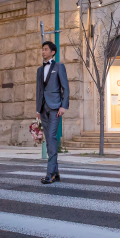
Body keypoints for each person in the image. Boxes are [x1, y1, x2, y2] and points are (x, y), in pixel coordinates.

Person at [36, 40, 69, 184]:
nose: (43, 51)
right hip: (43, 108)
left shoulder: (59, 67)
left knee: (51, 137)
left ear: (52, 52)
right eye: (42, 49)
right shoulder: (39, 70)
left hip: (55, 108)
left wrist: (63, 106)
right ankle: (56, 172)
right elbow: (39, 90)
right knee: (48, 140)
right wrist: (38, 109)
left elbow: (65, 88)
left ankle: (50, 174)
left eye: (45, 49)